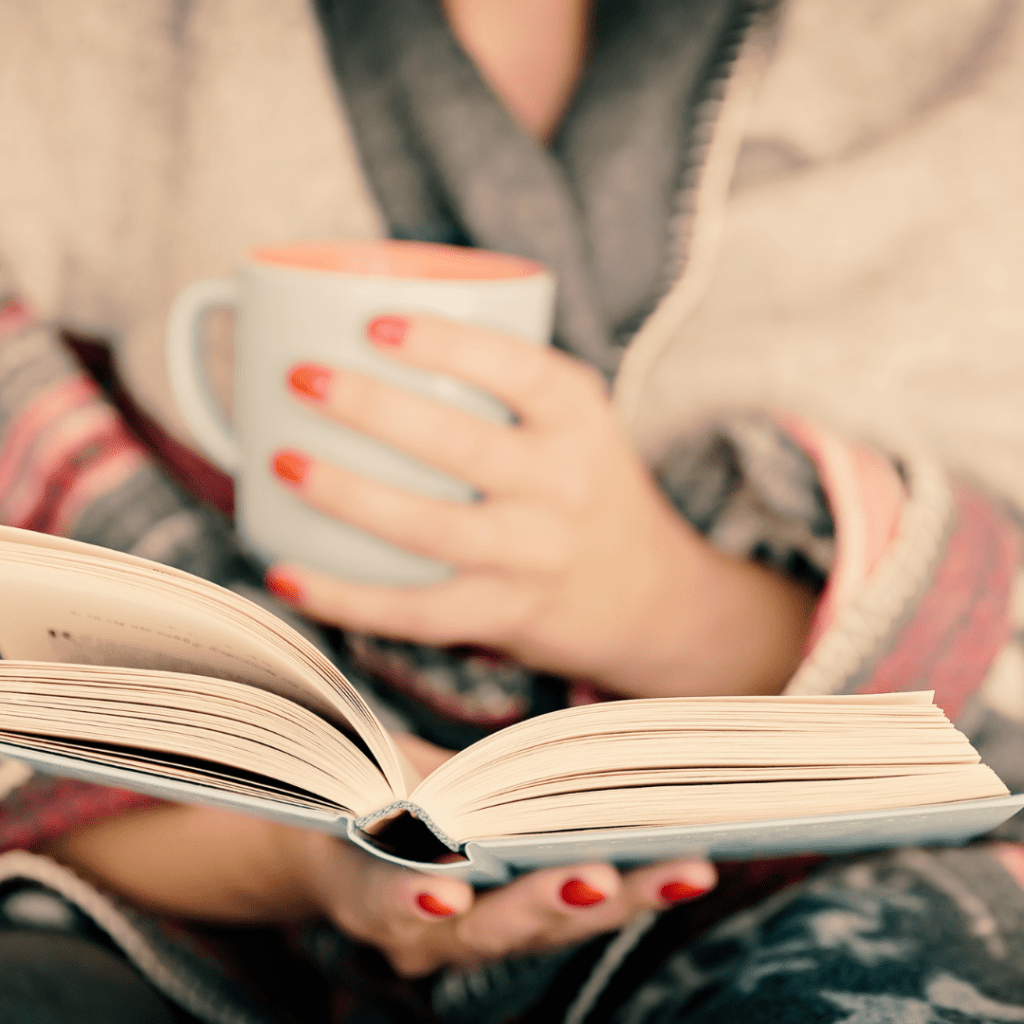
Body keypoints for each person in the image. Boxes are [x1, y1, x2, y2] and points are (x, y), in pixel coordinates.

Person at [0, 0, 1023, 1021]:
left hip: (816, 896)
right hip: (178, 920)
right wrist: (300, 842)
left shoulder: (972, 64)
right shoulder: (73, 50)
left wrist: (666, 603)